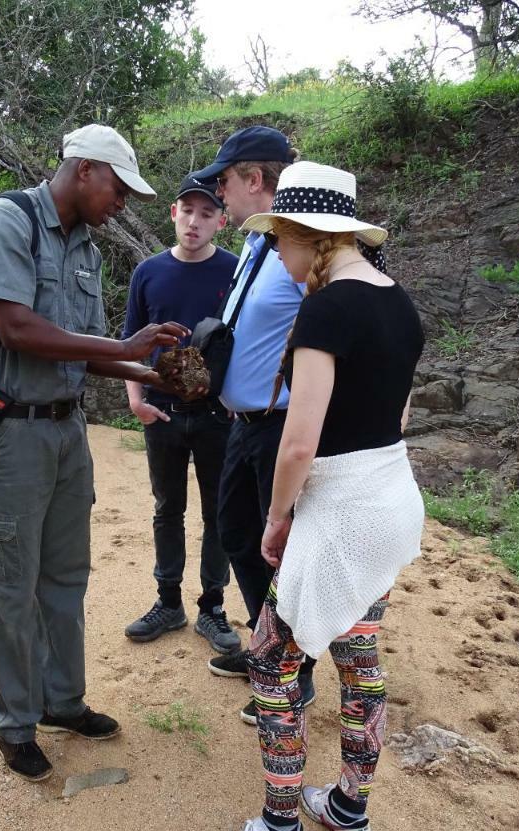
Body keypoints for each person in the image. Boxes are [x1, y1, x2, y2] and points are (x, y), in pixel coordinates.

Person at [204, 161, 424, 831]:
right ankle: (350, 808)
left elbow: (299, 442)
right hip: (389, 500)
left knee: (273, 662)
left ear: (306, 235)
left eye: (279, 244)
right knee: (360, 658)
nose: (279, 259)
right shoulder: (399, 302)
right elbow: (397, 416)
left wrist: (278, 518)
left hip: (338, 511)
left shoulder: (327, 309)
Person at [0, 124, 190, 782]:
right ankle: (14, 720)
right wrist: (126, 348)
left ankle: (63, 701)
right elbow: (15, 326)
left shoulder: (86, 246)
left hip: (66, 431)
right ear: (85, 170)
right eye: (118, 187)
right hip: (12, 435)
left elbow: (81, 346)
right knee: (13, 583)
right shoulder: (7, 222)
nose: (121, 202)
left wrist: (151, 376)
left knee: (66, 577)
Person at [188, 126, 316, 723]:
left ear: (255, 180)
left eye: (225, 181)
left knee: (280, 548)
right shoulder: (260, 248)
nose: (219, 193)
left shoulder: (299, 247)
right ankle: (270, 645)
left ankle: (294, 672)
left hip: (281, 423)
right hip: (244, 421)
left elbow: (331, 326)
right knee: (238, 533)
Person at [121, 175, 240, 654]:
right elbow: (131, 343)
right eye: (188, 211)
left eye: (207, 213)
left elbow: (246, 342)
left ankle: (212, 606)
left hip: (218, 415)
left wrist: (239, 402)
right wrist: (135, 400)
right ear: (173, 212)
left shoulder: (235, 272)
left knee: (218, 512)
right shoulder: (148, 272)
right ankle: (168, 601)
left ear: (221, 221)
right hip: (163, 411)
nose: (195, 222)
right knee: (167, 509)